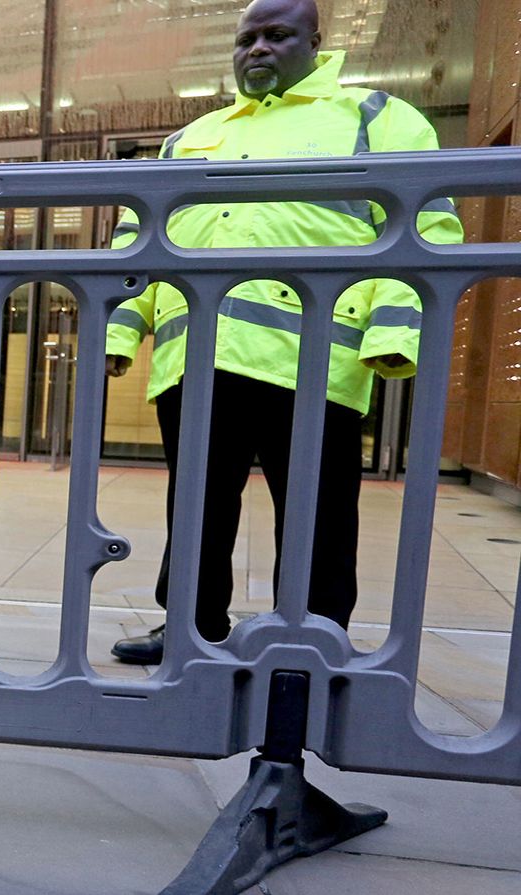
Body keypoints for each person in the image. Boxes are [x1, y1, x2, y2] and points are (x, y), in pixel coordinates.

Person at [104, 0, 463, 664]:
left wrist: (393, 333)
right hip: (197, 356)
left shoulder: (373, 118)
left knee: (318, 513)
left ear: (317, 42)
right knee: (196, 508)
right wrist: (120, 333)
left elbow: (426, 226)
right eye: (247, 39)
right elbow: (141, 242)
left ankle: (312, 633)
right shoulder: (190, 136)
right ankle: (190, 625)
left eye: (276, 35)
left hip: (315, 356)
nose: (258, 49)